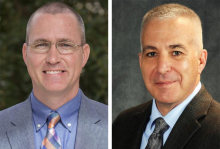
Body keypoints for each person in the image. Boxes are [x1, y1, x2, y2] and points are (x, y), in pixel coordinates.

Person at [0, 2, 107, 149]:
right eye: (41, 45)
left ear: (84, 55)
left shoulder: (114, 126)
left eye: (65, 45)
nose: (53, 59)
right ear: (25, 54)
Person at [113, 3, 220, 149]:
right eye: (151, 54)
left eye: (176, 53)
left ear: (200, 61)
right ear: (140, 61)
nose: (162, 68)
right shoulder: (122, 124)